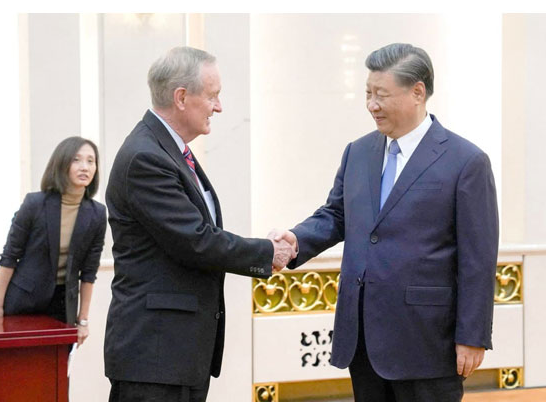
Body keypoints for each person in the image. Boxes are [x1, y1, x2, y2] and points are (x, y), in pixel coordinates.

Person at [270, 43, 499, 402]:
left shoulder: (466, 162)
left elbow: (478, 259)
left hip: (428, 341)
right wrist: (297, 239)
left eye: (381, 95)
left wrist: (472, 336)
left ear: (417, 92)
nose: (371, 105)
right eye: (368, 94)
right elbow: (337, 214)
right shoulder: (358, 151)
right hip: (363, 338)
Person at [104, 46, 295, 402]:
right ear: (181, 97)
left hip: (178, 353)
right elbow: (195, 240)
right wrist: (268, 252)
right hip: (155, 355)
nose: (218, 107)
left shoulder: (167, 149)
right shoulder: (146, 156)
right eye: (212, 96)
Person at [0, 136, 107, 347]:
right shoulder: (35, 204)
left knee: (56, 367)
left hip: (63, 307)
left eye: (91, 161)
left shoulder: (97, 214)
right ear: (62, 163)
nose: (85, 167)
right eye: (77, 160)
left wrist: (83, 320)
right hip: (23, 303)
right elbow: (10, 257)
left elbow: (89, 272)